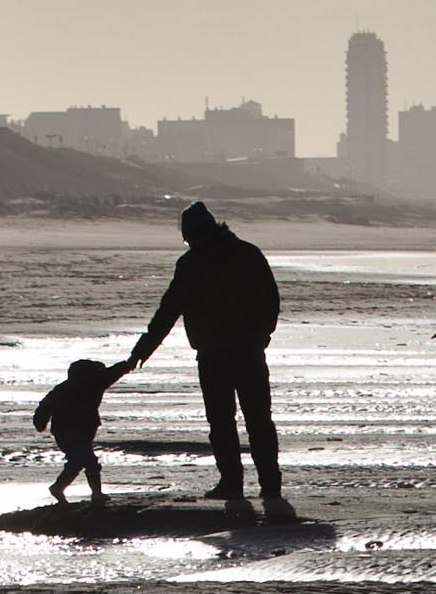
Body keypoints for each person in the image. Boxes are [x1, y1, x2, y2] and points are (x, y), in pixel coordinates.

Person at [125, 200, 293, 526]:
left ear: (190, 234)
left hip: (215, 352)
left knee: (222, 421)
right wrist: (262, 335)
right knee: (259, 419)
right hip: (249, 350)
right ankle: (270, 486)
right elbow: (271, 299)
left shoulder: (192, 263)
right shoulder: (248, 253)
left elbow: (168, 310)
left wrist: (143, 350)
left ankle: (232, 483)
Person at [33, 354, 124, 510]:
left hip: (77, 429)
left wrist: (127, 364)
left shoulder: (73, 386)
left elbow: (44, 407)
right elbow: (45, 407)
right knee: (89, 461)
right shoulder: (92, 384)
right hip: (68, 431)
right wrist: (128, 363)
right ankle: (96, 493)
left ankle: (58, 488)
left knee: (77, 461)